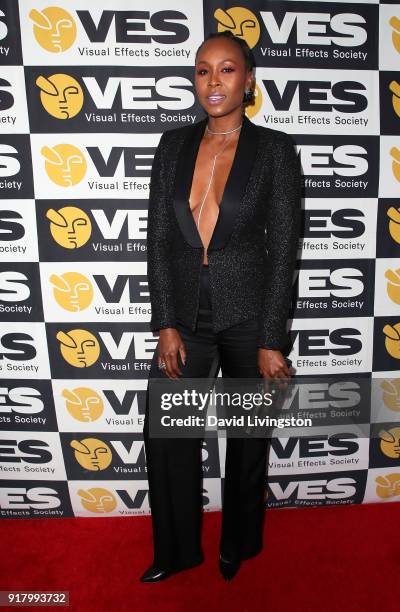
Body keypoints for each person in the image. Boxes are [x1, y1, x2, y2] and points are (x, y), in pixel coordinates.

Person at [140, 30, 302, 582]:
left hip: (250, 317)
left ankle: (238, 544)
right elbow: (158, 240)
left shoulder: (276, 151)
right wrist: (165, 322)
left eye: (227, 69)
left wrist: (271, 338)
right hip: (185, 317)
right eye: (203, 70)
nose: (214, 81)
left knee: (248, 438)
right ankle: (176, 550)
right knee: (168, 436)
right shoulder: (172, 145)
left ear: (248, 80)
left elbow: (285, 249)